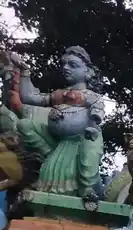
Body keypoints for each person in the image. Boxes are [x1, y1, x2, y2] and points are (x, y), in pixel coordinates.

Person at [10, 46, 105, 199]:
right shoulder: (58, 95)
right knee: (24, 125)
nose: (66, 68)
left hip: (83, 138)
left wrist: (93, 126)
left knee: (90, 150)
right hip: (58, 140)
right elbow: (29, 98)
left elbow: (97, 111)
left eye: (73, 65)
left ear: (88, 72)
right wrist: (25, 72)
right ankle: (52, 156)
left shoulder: (90, 96)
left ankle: (87, 188)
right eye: (64, 64)